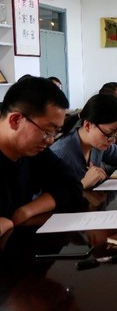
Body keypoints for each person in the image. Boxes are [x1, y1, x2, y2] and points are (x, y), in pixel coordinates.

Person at [0, 77, 84, 237]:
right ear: (15, 120)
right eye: (47, 131)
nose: (51, 140)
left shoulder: (34, 151)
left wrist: (27, 210)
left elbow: (72, 186)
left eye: (56, 131)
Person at [51, 94, 117, 189]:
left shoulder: (98, 144)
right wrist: (82, 184)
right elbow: (48, 196)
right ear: (88, 125)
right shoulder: (60, 154)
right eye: (109, 133)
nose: (113, 141)